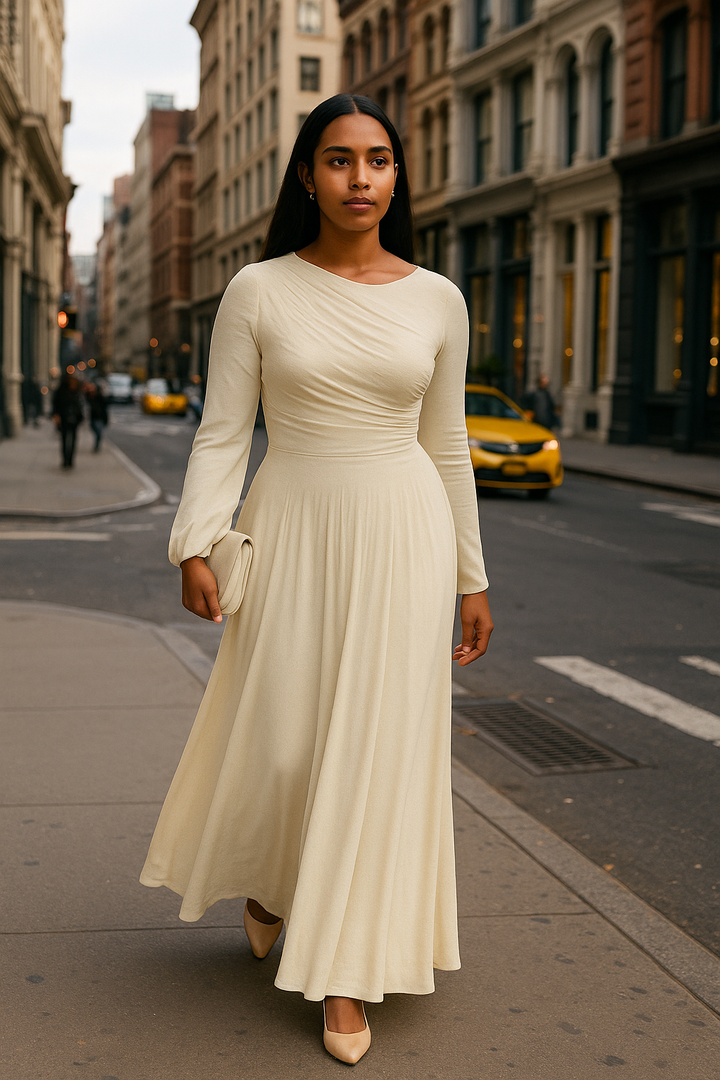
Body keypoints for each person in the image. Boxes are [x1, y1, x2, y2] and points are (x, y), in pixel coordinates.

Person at [140, 95, 493, 1065]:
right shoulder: (257, 291)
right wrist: (197, 542)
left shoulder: (437, 299)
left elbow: (448, 444)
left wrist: (471, 573)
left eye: (379, 160)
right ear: (308, 175)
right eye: (340, 161)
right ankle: (269, 878)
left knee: (376, 751)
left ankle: (345, 972)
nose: (362, 178)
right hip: (290, 522)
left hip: (405, 532)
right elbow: (223, 432)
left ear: (396, 176)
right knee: (289, 739)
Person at [52, 374, 84, 469]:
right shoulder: (62, 392)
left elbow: (79, 406)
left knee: (73, 440)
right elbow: (56, 404)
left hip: (75, 419)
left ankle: (70, 460)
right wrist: (56, 416)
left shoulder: (77, 392)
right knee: (65, 440)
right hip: (64, 418)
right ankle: (65, 459)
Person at [85, 382, 109, 452]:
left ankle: (97, 446)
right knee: (94, 429)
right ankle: (97, 445)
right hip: (93, 416)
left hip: (99, 417)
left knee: (98, 432)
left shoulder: (99, 396)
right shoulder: (89, 396)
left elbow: (105, 405)